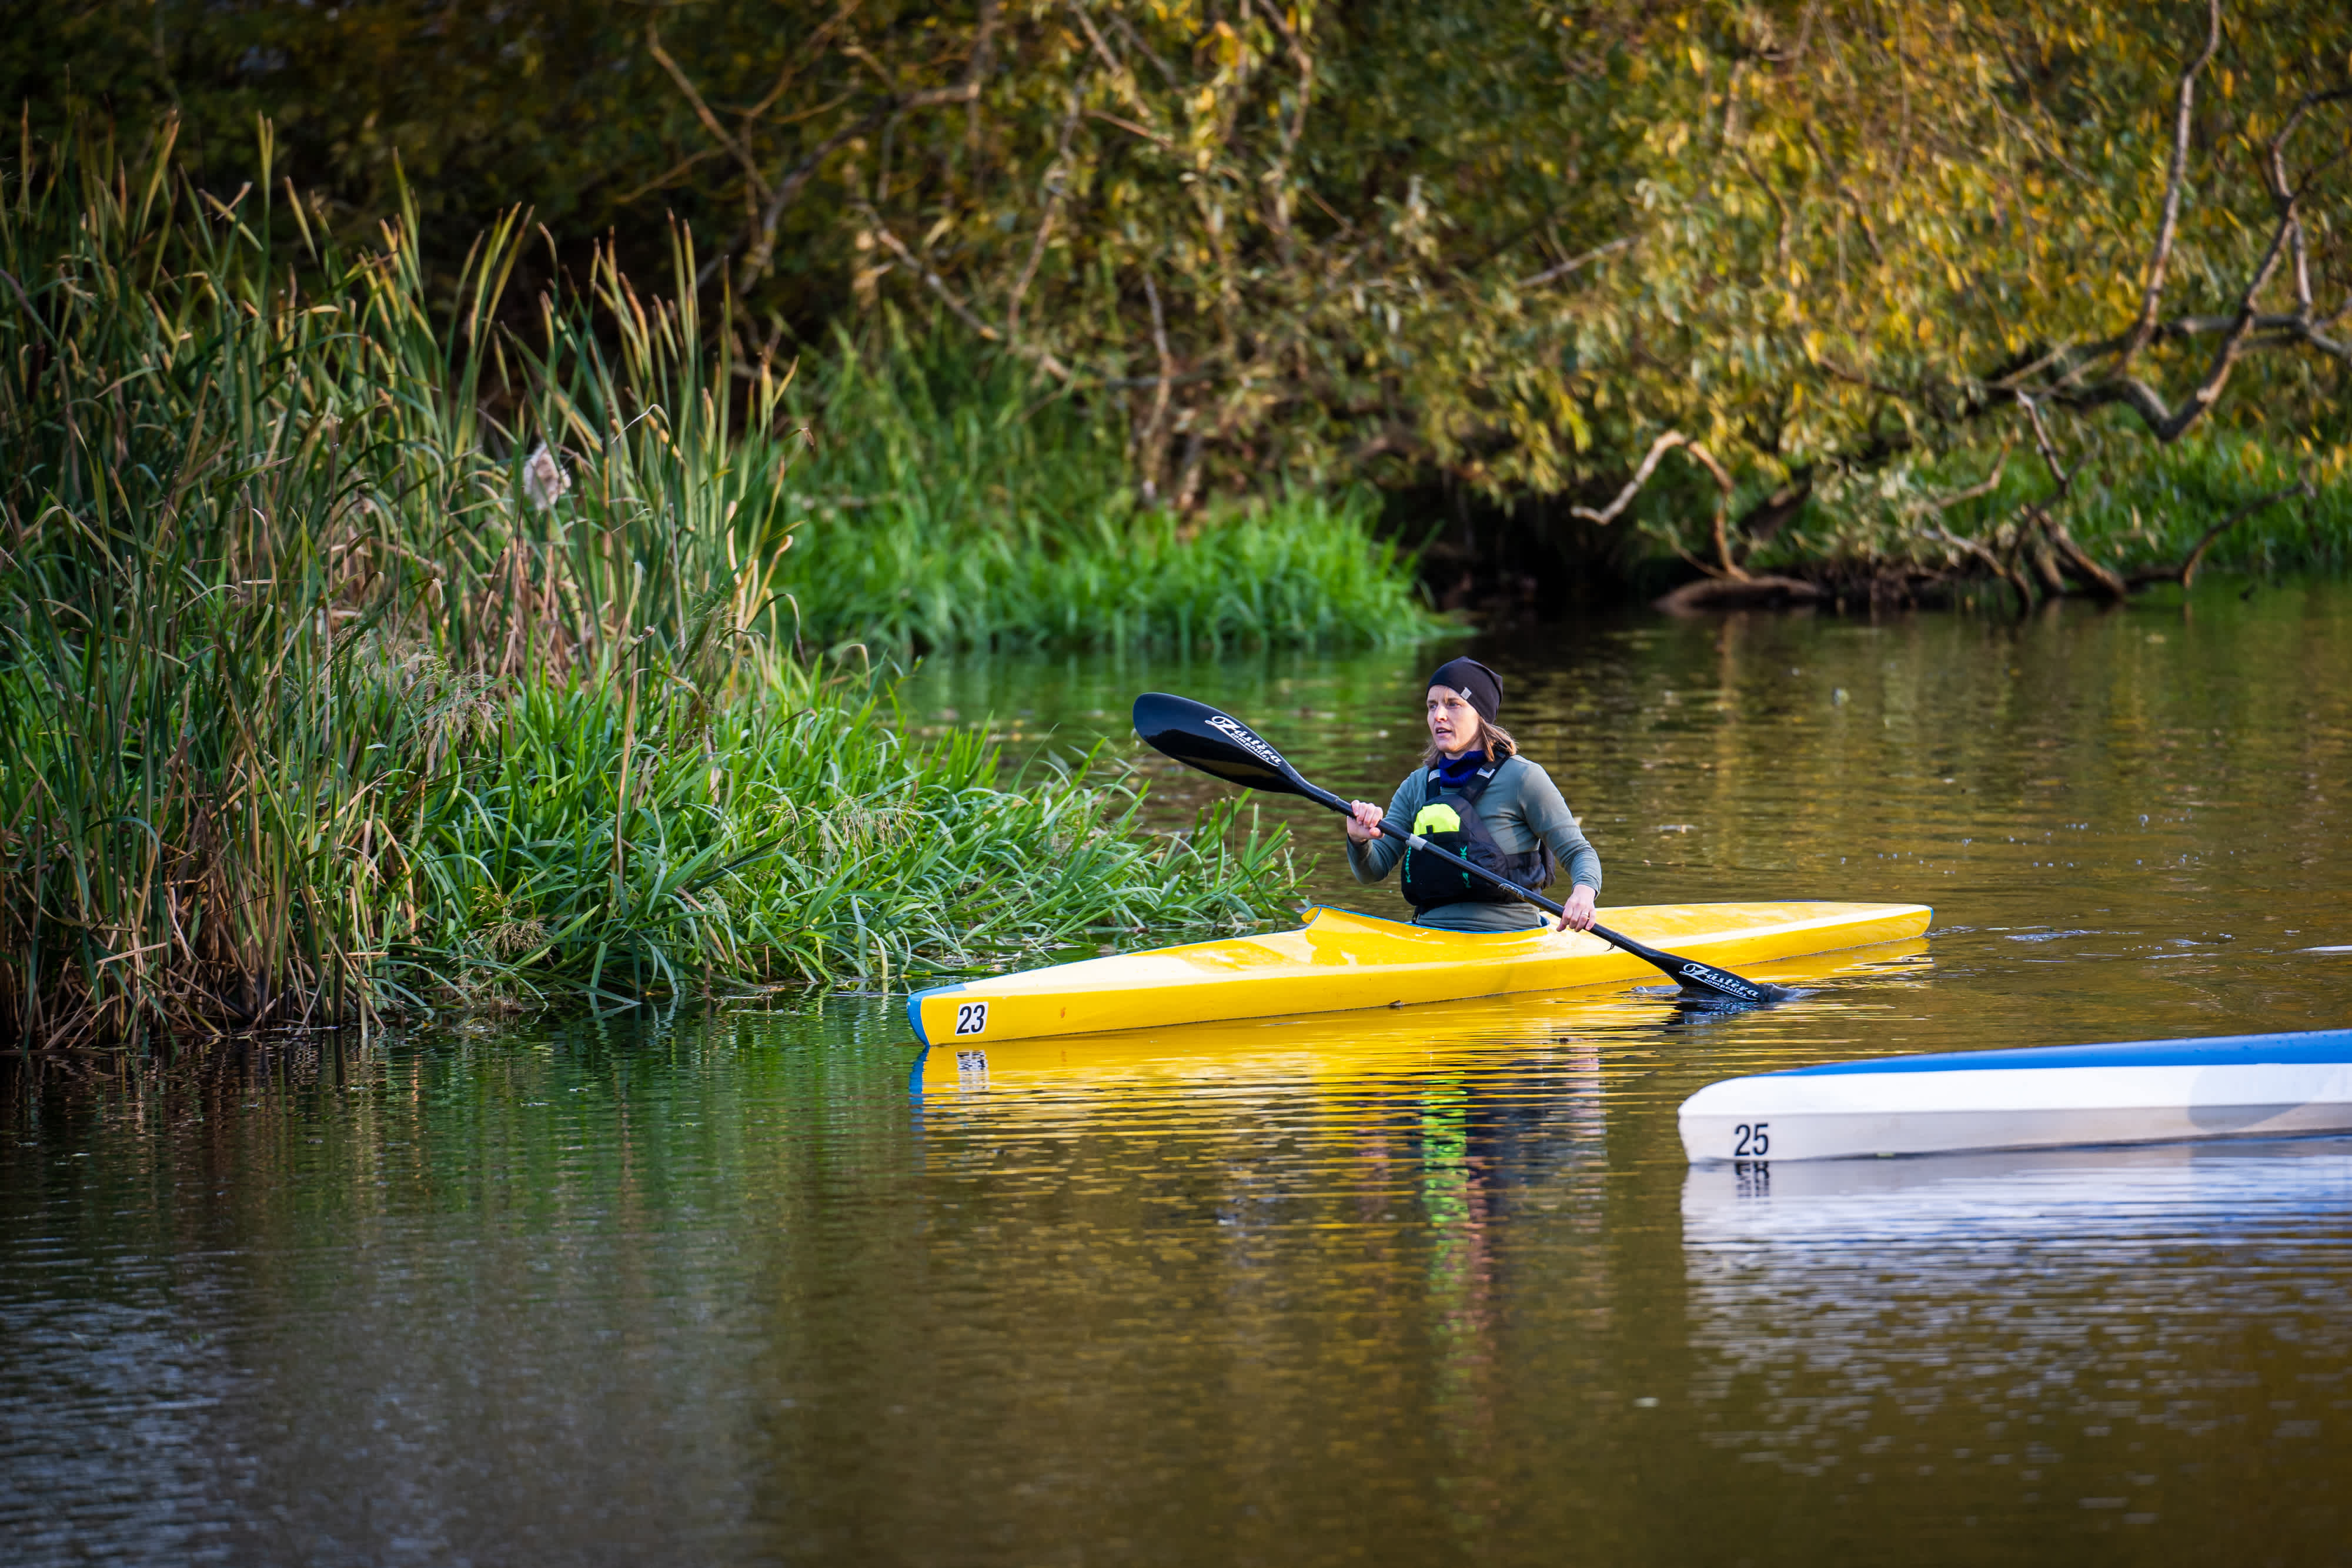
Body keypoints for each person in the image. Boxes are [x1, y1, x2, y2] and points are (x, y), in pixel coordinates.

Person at [1344, 657, 1602, 934]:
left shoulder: (1524, 778)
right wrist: (1358, 840)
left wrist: (1583, 894)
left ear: (1480, 714)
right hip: (1429, 936)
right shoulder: (1416, 785)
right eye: (1432, 706)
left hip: (1512, 937)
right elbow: (1373, 870)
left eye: (1453, 704)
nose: (1438, 716)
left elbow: (1578, 852)